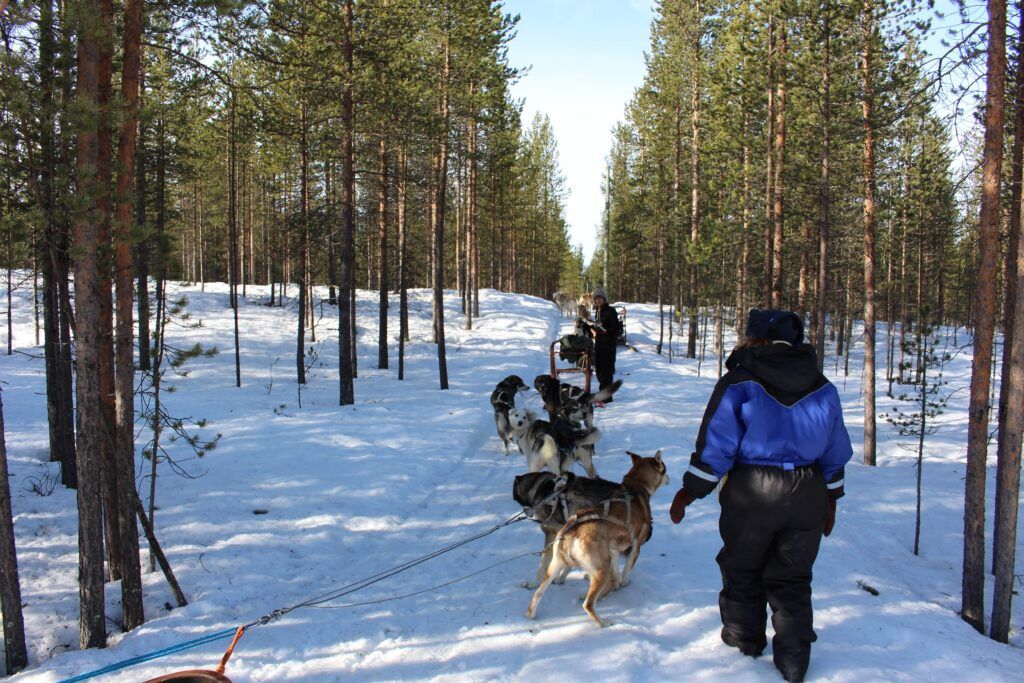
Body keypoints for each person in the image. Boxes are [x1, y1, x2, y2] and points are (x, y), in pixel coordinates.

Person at [667, 309, 852, 683]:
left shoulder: (740, 381)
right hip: (808, 492)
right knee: (792, 578)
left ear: (755, 338)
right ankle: (794, 661)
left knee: (743, 567)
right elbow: (835, 449)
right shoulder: (823, 386)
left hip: (752, 493)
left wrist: (691, 490)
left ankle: (743, 644)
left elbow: (717, 444)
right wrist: (832, 496)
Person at [591, 288, 620, 394]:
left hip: (608, 346)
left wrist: (606, 331)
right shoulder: (598, 311)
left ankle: (606, 397)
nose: (598, 300)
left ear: (604, 299)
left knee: (606, 371)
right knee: (599, 369)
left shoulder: (610, 311)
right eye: (596, 298)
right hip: (599, 344)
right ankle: (603, 394)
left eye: (600, 298)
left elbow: (616, 328)